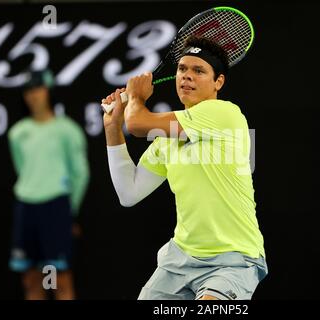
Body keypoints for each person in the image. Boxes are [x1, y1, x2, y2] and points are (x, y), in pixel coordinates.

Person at [102, 35, 267, 300]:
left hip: (232, 258)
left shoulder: (225, 113)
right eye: (182, 69)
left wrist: (135, 98)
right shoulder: (165, 140)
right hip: (178, 260)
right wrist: (112, 128)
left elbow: (135, 123)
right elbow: (128, 193)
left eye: (198, 70)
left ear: (218, 82)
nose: (186, 76)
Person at [8, 69, 90, 300]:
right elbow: (23, 169)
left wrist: (68, 212)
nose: (33, 95)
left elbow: (80, 174)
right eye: (28, 90)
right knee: (31, 279)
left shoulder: (68, 131)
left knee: (56, 278)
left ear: (48, 91)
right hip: (26, 209)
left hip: (55, 210)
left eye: (38, 89)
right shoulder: (17, 133)